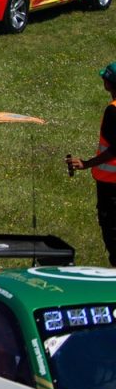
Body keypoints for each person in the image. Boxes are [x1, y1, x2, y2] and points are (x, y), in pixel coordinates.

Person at [66, 62, 116, 265]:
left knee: (113, 236)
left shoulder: (113, 112)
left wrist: (86, 164)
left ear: (109, 83)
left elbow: (115, 149)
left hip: (111, 187)